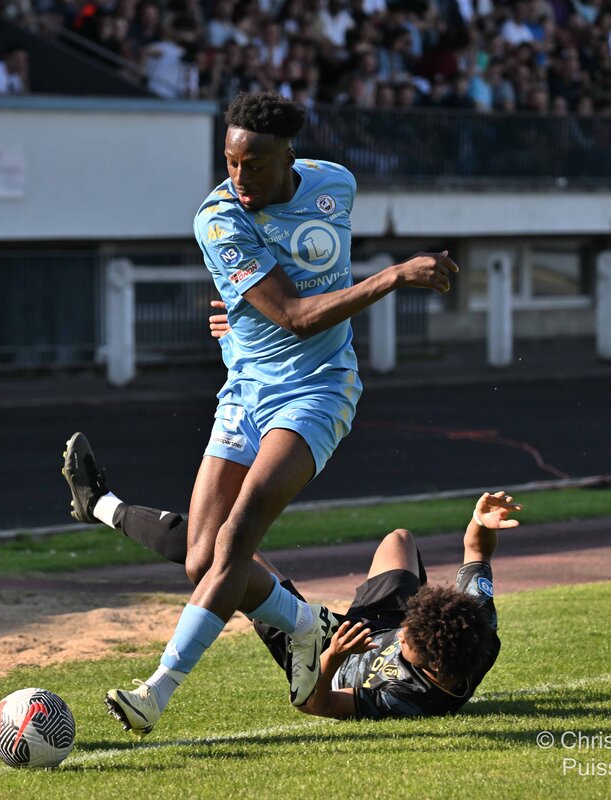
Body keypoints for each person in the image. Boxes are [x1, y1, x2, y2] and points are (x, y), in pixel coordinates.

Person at [100, 90, 458, 738]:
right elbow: (292, 315)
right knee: (202, 560)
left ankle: (156, 691)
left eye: (255, 165)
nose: (240, 178)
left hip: (318, 389)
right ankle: (306, 626)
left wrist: (243, 316)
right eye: (231, 162)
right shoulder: (218, 220)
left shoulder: (335, 185)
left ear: (289, 156)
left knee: (238, 537)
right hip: (246, 393)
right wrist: (393, 276)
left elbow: (306, 298)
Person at [63, 432, 511, 720]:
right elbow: (476, 551)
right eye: (413, 628)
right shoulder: (477, 629)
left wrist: (333, 656)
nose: (405, 637)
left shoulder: (406, 699)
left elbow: (316, 704)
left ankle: (101, 504)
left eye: (410, 642)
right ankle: (97, 504)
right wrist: (481, 522)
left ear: (433, 669)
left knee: (221, 554)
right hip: (372, 627)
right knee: (399, 539)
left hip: (324, 652)